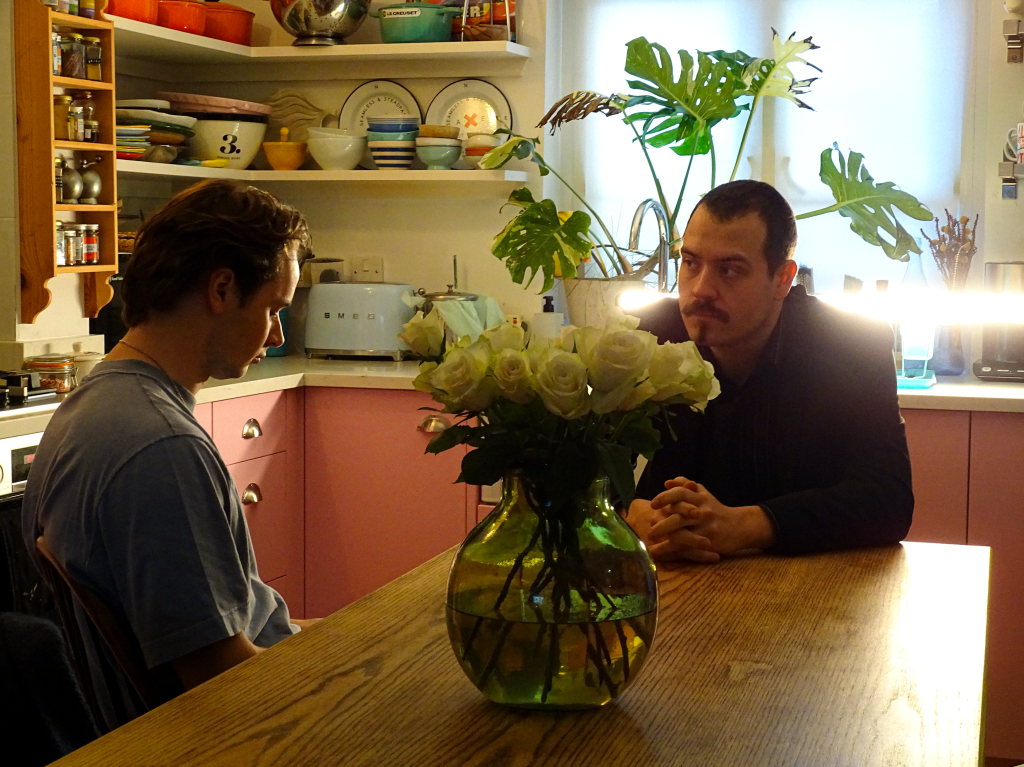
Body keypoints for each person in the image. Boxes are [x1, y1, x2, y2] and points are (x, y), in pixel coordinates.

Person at [23, 179, 314, 731]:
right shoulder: (162, 449)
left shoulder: (99, 401)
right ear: (222, 289)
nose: (276, 336)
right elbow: (221, 683)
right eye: (274, 308)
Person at [628, 180, 913, 563]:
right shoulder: (647, 336)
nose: (700, 290)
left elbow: (888, 501)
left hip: (815, 589)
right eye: (691, 263)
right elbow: (584, 470)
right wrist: (630, 514)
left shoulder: (853, 346)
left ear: (782, 278)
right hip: (674, 581)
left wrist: (744, 525)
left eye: (729, 270)